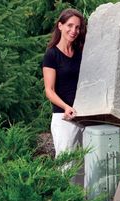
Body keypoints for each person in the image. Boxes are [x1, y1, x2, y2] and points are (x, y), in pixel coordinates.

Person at [42, 9, 86, 158]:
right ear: (60, 26)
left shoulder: (81, 52)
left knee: (84, 170)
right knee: (66, 168)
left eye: (77, 27)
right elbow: (49, 90)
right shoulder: (51, 55)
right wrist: (66, 107)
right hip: (64, 118)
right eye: (69, 25)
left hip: (84, 116)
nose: (74, 31)